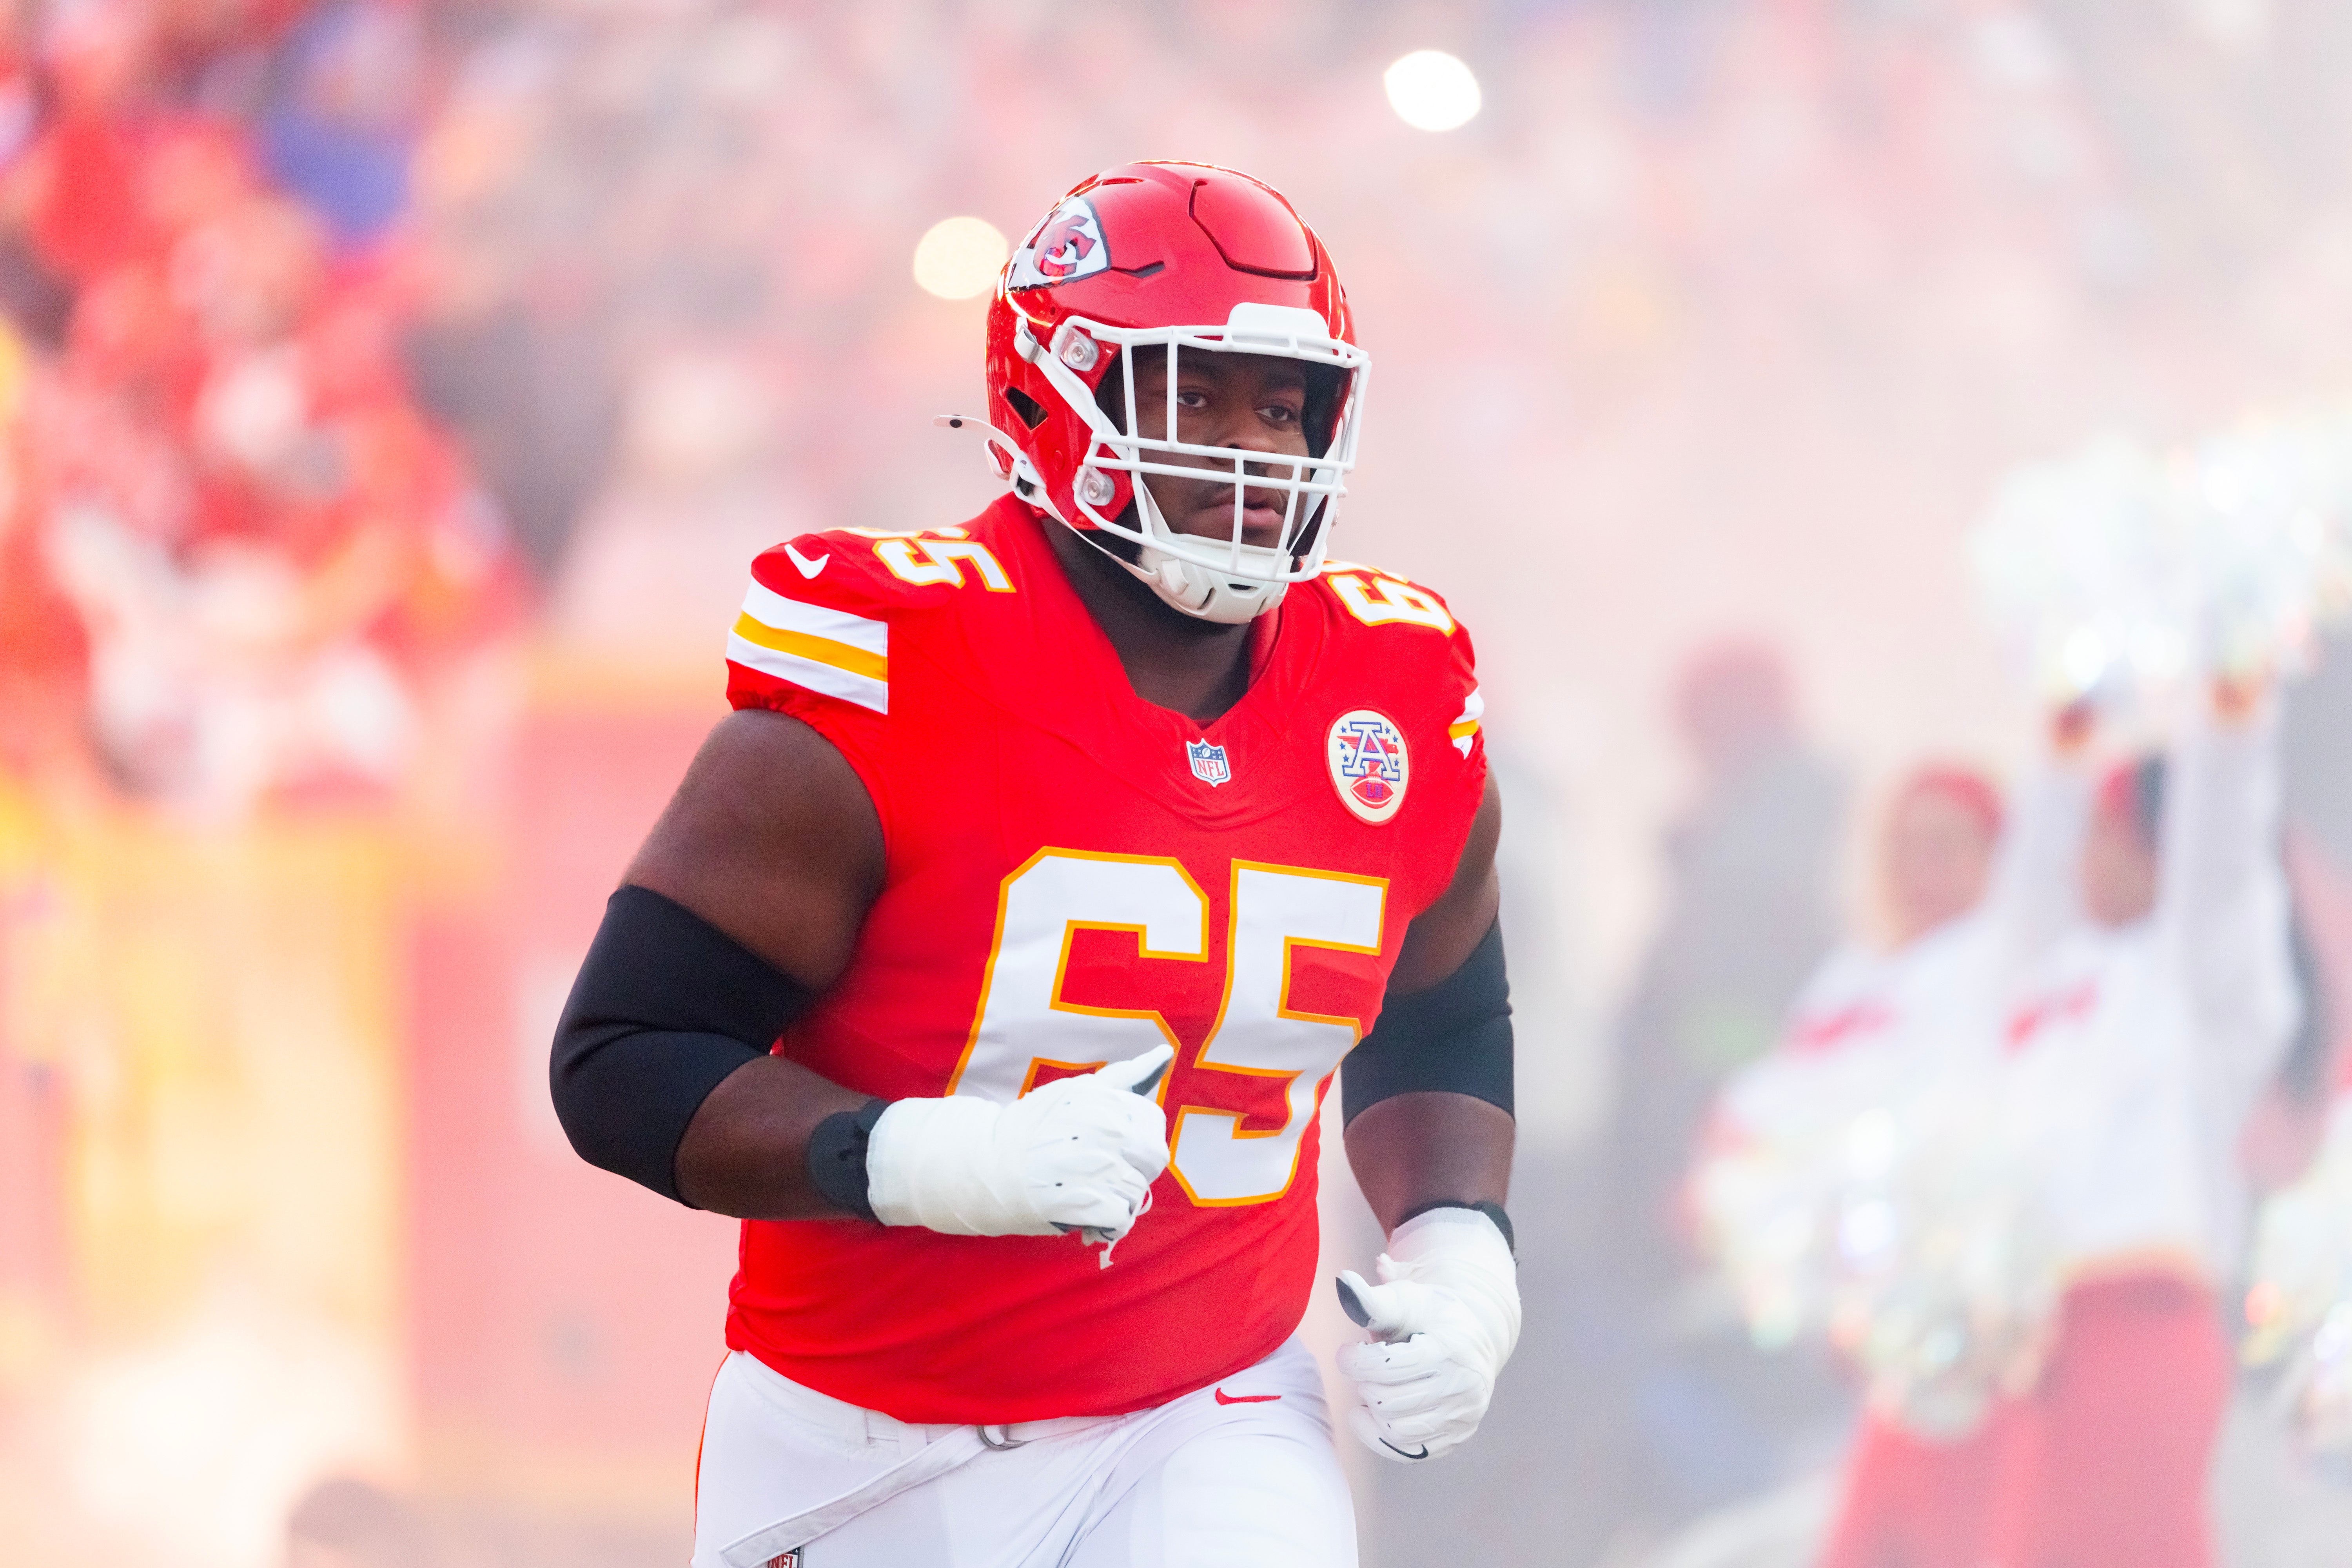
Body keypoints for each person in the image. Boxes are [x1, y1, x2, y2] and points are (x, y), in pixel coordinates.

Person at [549, 162, 1520, 1568]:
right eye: (1192, 394)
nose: (1251, 447)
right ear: (1046, 395)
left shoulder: (1394, 687)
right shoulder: (897, 668)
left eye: (1279, 400)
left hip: (1212, 1409)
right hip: (858, 1435)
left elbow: (1441, 1013)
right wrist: (934, 1157)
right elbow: (622, 1058)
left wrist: (1460, 1250)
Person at [1974, 681, 2298, 1568]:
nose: (2079, 860)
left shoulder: (2199, 991)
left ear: (2146, 852)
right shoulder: (2056, 981)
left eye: (2102, 837)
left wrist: (2229, 709)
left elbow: (2219, 858)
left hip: (2145, 1320)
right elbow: (2032, 874)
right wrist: (2066, 720)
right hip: (2038, 1341)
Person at [1702, 765, 2014, 1568]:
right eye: (1906, 848)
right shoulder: (1854, 977)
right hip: (1850, 1332)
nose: (1923, 872)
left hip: (1956, 1331)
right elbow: (1765, 1110)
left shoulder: (1997, 968)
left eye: (1947, 848)